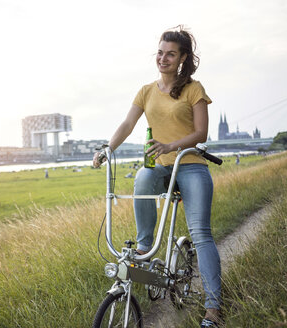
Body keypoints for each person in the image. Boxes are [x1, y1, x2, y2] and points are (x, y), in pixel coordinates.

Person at [92, 26, 222, 327]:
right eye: (160, 53)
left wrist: (170, 146)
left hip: (189, 165)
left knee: (201, 234)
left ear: (182, 58)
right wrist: (106, 150)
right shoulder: (146, 91)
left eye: (170, 54)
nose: (163, 58)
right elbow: (127, 124)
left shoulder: (194, 89)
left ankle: (214, 309)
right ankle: (144, 249)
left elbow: (201, 133)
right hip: (161, 168)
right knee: (142, 178)